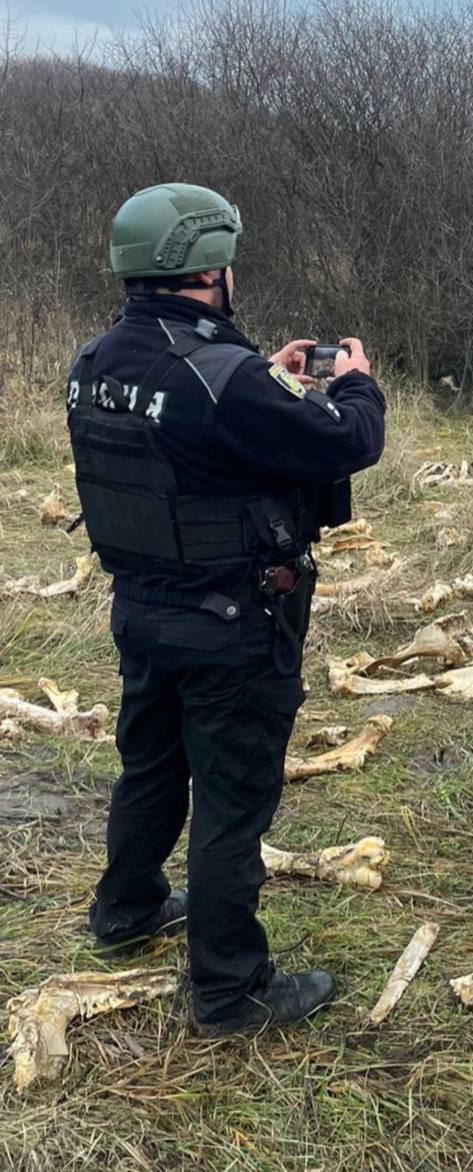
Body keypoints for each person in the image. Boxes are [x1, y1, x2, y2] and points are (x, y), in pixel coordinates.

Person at [67, 183, 386, 1034]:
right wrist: (354, 385)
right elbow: (349, 441)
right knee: (232, 802)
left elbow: (194, 441)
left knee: (151, 768)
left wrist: (265, 376)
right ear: (210, 268)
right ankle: (229, 986)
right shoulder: (221, 378)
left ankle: (127, 911)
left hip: (140, 612)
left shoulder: (93, 366)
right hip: (231, 626)